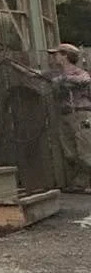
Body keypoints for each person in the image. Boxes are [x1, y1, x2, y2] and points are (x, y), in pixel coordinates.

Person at [48, 43, 91, 191]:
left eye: (57, 54)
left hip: (81, 115)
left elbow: (85, 80)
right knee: (70, 154)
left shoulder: (78, 72)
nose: (54, 57)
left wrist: (64, 80)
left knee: (85, 151)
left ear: (65, 55)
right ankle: (81, 183)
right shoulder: (58, 75)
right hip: (65, 115)